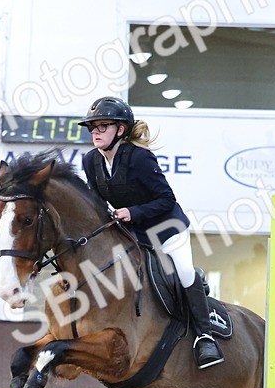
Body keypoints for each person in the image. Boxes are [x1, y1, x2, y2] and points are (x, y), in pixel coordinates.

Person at [78, 96, 224, 369]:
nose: (95, 132)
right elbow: (97, 202)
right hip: (133, 233)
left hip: (166, 227)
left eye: (102, 126)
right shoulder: (90, 161)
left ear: (120, 130)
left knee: (183, 272)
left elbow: (166, 199)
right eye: (92, 127)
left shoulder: (140, 158)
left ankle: (205, 337)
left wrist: (133, 212)